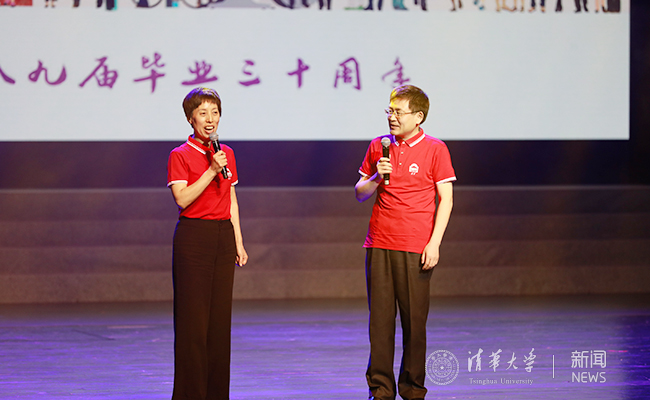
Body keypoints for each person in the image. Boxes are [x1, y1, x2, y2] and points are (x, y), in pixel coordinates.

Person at [355, 85, 456, 400]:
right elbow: (360, 193)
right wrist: (375, 177)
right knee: (380, 323)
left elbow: (446, 199)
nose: (392, 117)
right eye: (390, 110)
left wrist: (434, 243)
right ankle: (380, 389)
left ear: (418, 116)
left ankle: (412, 389)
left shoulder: (435, 149)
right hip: (379, 243)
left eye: (399, 112)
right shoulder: (379, 146)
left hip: (415, 246)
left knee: (414, 322)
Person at [167, 87, 248, 400]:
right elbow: (182, 198)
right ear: (191, 119)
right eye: (203, 113)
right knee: (193, 324)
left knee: (218, 324)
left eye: (215, 112)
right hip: (194, 238)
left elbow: (231, 198)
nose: (210, 119)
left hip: (222, 237)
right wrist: (211, 170)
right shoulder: (180, 155)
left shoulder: (226, 153)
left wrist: (238, 241)